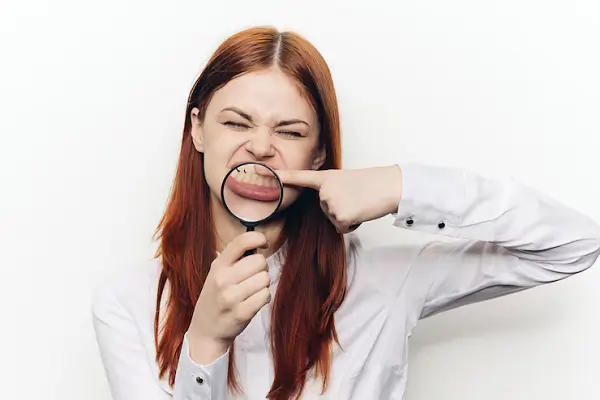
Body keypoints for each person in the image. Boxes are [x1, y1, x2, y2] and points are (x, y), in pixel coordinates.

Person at [91, 26, 600, 400]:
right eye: (236, 123)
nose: (261, 148)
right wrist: (203, 347)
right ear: (198, 131)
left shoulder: (383, 282)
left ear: (318, 155)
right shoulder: (127, 305)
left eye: (289, 132)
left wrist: (401, 185)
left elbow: (575, 244)